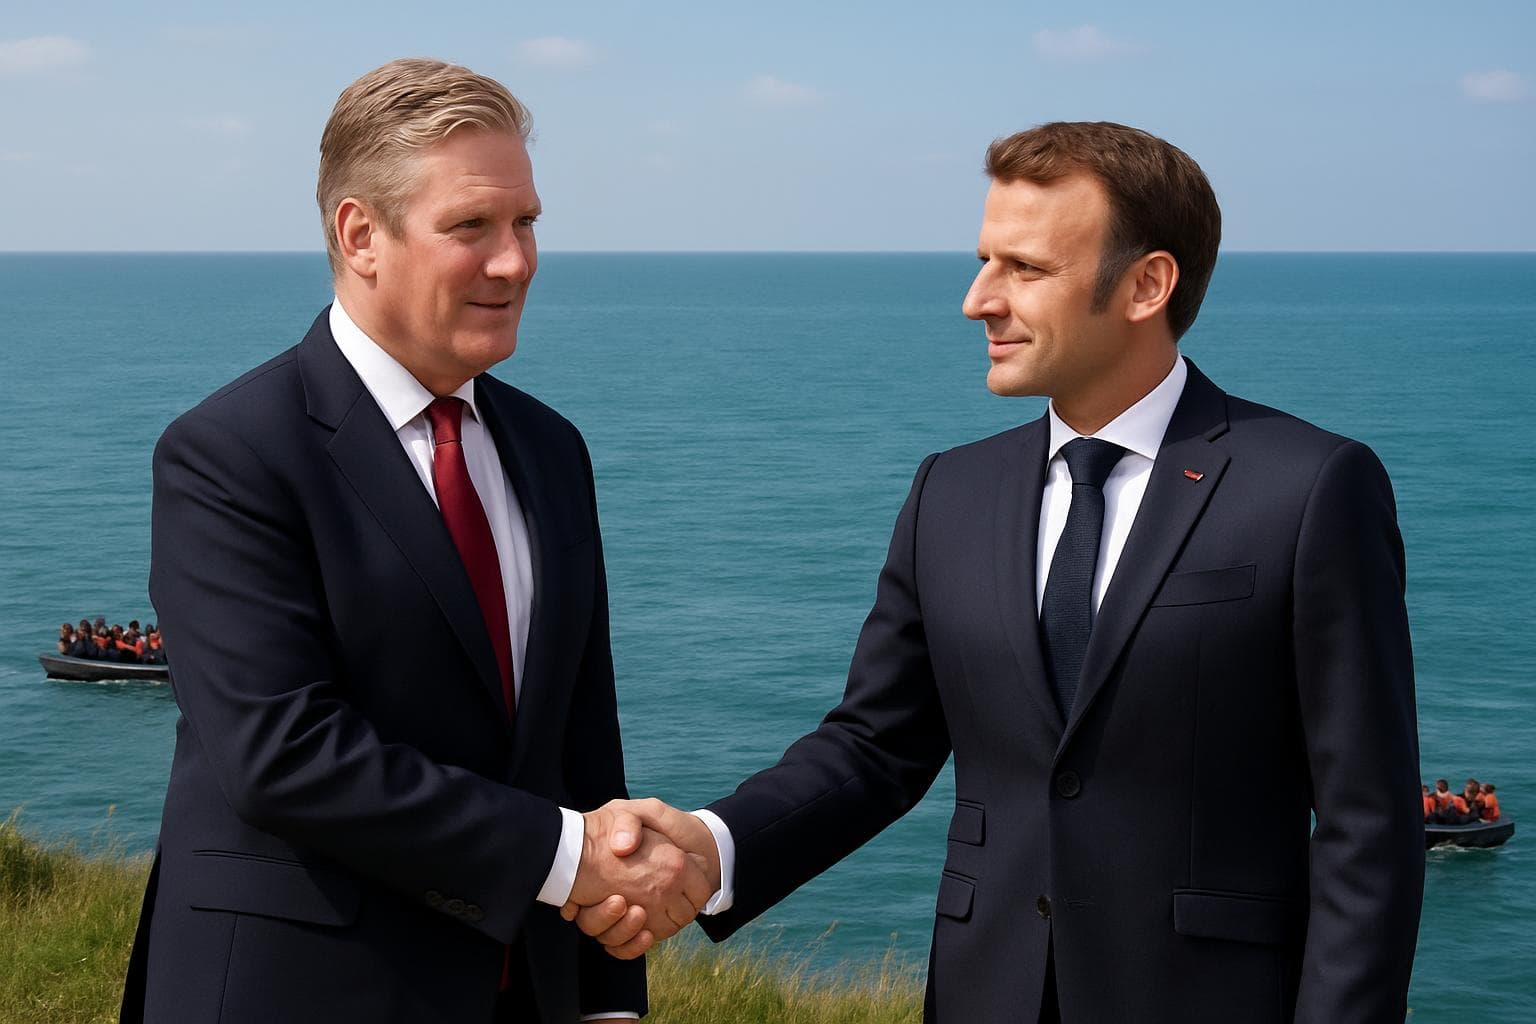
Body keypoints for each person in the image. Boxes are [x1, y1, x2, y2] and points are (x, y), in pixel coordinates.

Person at [577, 122, 1424, 1022]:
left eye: (1024, 268)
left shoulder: (1309, 488)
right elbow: (876, 746)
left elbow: (1368, 826)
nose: (978, 299)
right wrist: (711, 848)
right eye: (985, 261)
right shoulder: (951, 491)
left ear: (1146, 285)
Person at [120, 58, 710, 1024]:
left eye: (526, 223)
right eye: (471, 226)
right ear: (361, 234)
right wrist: (569, 857)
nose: (515, 261)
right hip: (293, 995)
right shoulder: (228, 453)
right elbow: (283, 752)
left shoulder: (552, 448)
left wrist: (608, 1000)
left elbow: (581, 744)